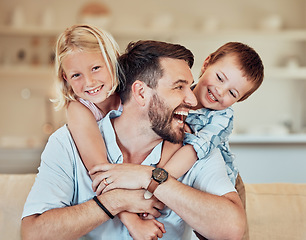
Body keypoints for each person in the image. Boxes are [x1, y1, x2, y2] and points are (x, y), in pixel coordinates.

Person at [21, 40, 246, 240]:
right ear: (140, 93)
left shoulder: (196, 148)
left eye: (189, 86)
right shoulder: (67, 143)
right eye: (179, 86)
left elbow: (232, 229)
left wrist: (150, 178)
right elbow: (34, 233)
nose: (191, 98)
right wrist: (115, 201)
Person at [50, 24, 166, 238]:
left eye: (96, 68)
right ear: (65, 78)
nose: (89, 82)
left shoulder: (132, 94)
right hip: (111, 210)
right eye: (76, 75)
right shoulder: (79, 109)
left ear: (113, 59)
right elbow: (99, 170)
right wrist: (133, 221)